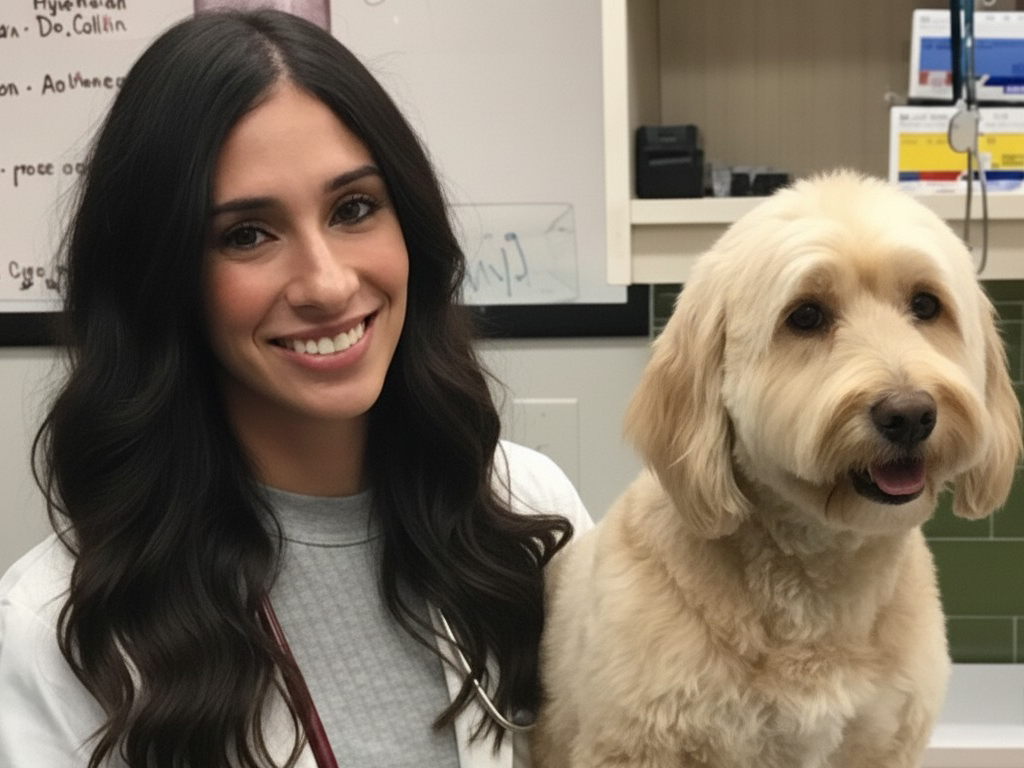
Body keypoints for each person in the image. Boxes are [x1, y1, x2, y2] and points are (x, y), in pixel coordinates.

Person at [0, 10, 590, 768]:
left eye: (354, 209)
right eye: (247, 234)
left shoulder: (529, 514)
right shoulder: (57, 626)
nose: (327, 282)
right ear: (161, 276)